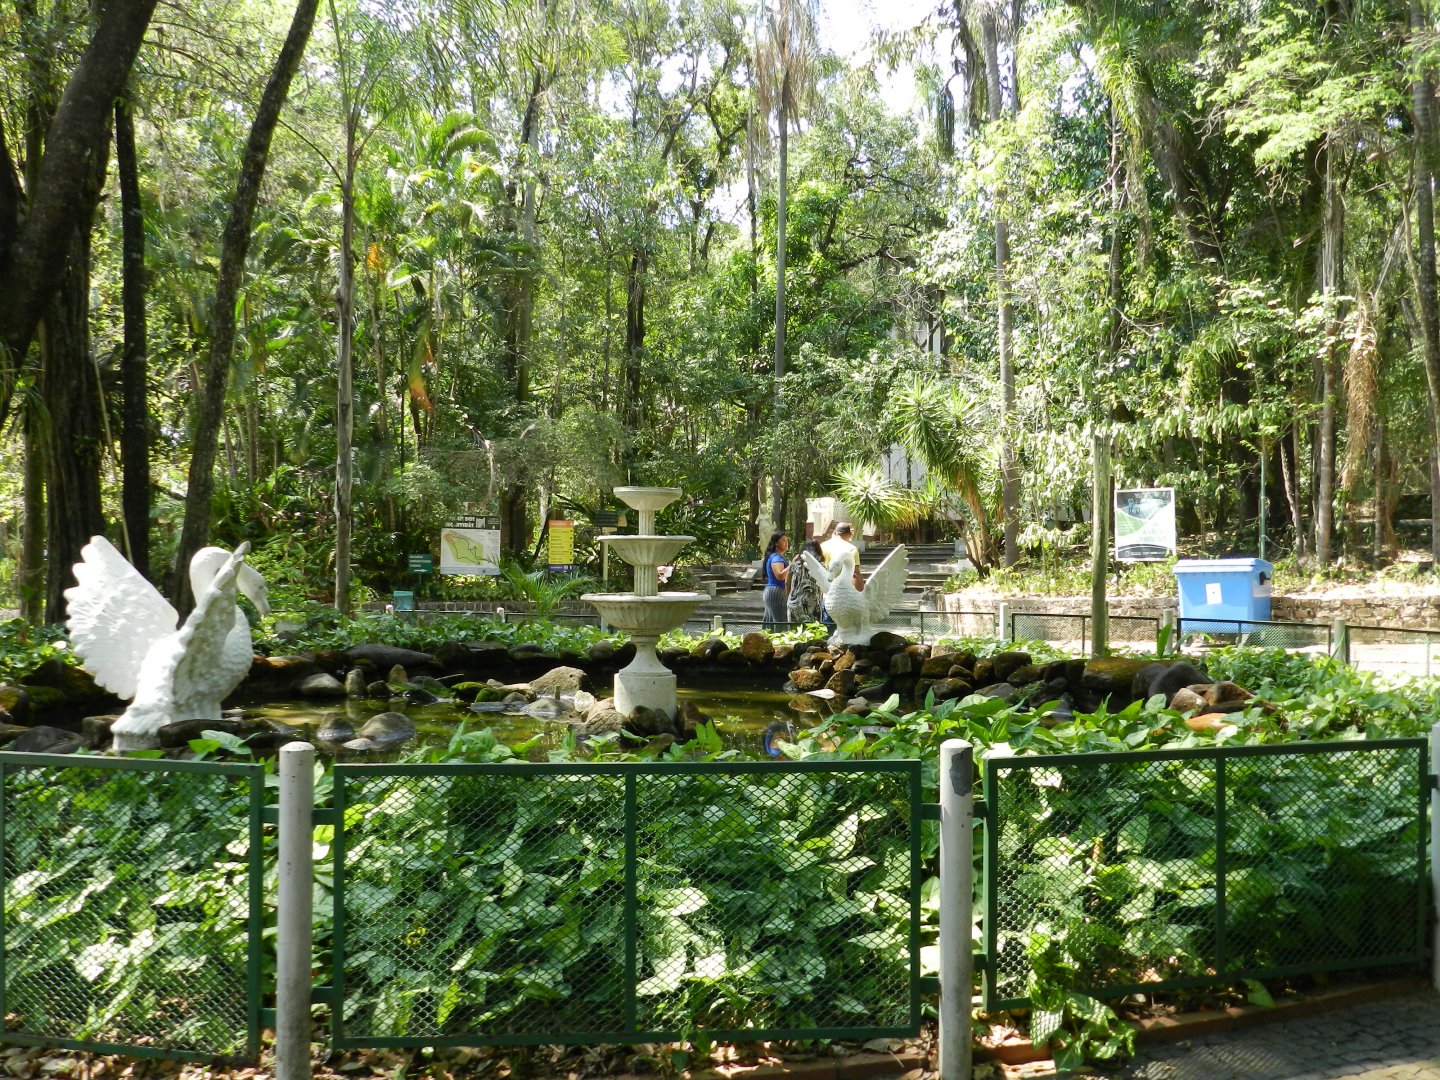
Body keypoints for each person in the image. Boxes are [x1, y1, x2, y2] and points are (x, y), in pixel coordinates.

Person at [786, 539, 826, 627]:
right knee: (812, 634)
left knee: (794, 634)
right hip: (812, 605)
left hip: (794, 604)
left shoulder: (794, 565)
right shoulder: (820, 567)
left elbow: (787, 583)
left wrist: (789, 597)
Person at [820, 521, 864, 591]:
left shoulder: (822, 546)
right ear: (850, 534)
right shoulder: (851, 549)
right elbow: (855, 573)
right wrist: (860, 592)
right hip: (842, 591)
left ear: (834, 533)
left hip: (824, 589)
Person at [761, 531, 789, 629]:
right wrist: (793, 564)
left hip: (772, 591)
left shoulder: (775, 557)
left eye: (787, 540)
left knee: (771, 622)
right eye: (783, 540)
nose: (786, 543)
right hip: (776, 591)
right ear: (776, 543)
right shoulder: (776, 558)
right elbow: (780, 575)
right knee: (781, 622)